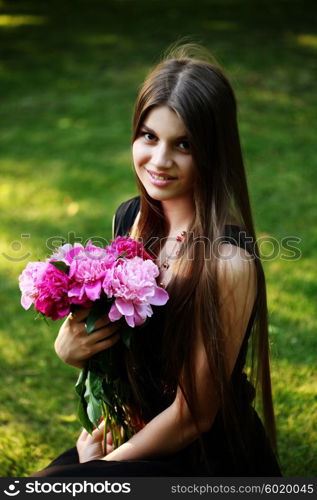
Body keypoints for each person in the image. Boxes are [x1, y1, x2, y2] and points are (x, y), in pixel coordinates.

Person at [32, 43, 282, 477]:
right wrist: (72, 349)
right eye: (149, 136)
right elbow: (128, 356)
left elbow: (193, 417)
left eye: (183, 144)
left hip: (202, 460)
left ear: (213, 150)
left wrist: (102, 468)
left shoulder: (228, 263)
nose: (159, 160)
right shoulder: (129, 219)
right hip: (136, 433)